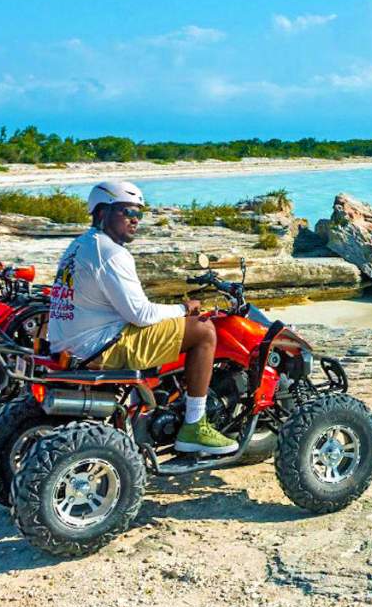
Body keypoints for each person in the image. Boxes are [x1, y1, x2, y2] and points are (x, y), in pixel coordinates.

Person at [46, 179, 235, 452]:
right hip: (98, 347)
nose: (135, 220)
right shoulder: (112, 253)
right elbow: (141, 314)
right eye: (128, 212)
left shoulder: (79, 246)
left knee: (172, 326)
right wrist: (184, 310)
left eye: (139, 214)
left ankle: (150, 404)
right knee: (203, 331)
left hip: (71, 344)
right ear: (102, 213)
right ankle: (195, 425)